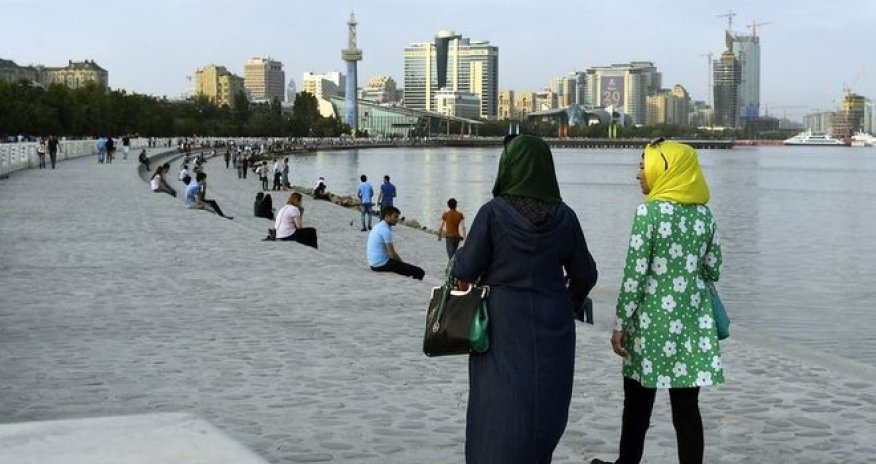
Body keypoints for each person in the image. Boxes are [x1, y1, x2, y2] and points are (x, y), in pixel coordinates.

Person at [450, 134, 597, 463]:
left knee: (498, 403)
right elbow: (586, 274)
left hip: (502, 322)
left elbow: (467, 267)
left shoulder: (492, 213)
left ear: (509, 166)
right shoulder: (566, 216)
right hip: (554, 323)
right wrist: (567, 305)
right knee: (546, 404)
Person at [590, 138, 723, 464]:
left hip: (651, 324)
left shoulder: (649, 213)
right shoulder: (704, 215)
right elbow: (714, 269)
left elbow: (634, 273)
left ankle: (627, 463)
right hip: (692, 323)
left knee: (637, 406)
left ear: (664, 168)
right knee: (687, 410)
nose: (639, 174)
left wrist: (620, 323)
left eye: (642, 165)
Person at [366, 206, 424, 280]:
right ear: (387, 216)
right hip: (380, 265)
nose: (397, 219)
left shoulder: (378, 226)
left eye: (397, 217)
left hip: (373, 263)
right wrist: (402, 264)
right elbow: (392, 254)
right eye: (395, 217)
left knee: (406, 267)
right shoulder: (385, 230)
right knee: (419, 271)